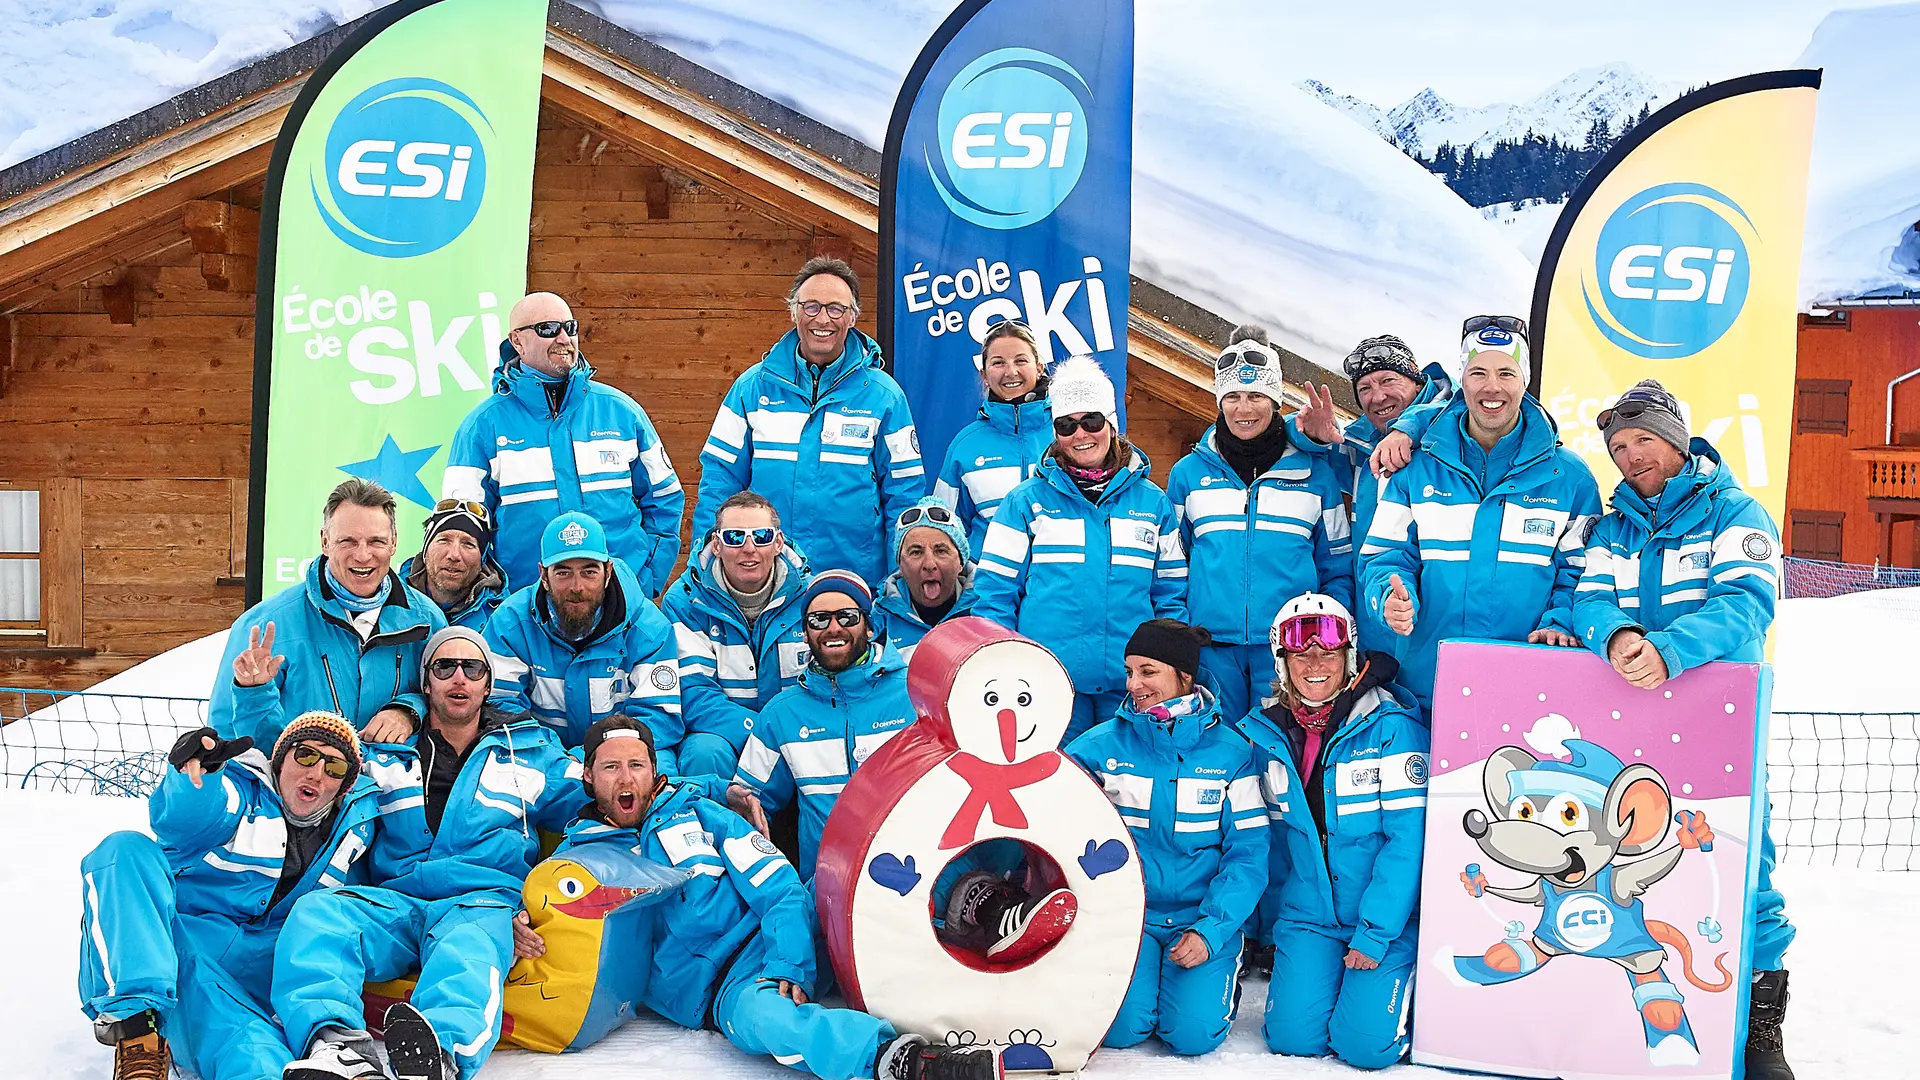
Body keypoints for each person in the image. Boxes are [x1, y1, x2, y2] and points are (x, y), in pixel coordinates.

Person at [543, 716, 1001, 1080]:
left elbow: (777, 884)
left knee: (850, 877)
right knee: (771, 1022)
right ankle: (902, 1061)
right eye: (611, 767)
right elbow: (547, 925)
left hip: (783, 937)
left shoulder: (697, 813)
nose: (627, 778)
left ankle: (985, 912)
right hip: (723, 987)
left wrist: (789, 959)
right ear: (588, 775)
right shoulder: (576, 863)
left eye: (637, 765)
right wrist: (521, 927)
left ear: (655, 770)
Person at [1566, 380, 1797, 1080]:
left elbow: (1747, 606)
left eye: (1643, 440)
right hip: (1629, 723)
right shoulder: (1611, 528)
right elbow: (1589, 599)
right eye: (1620, 447)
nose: (1633, 456)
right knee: (1620, 862)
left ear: (1675, 437)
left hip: (1718, 724)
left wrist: (1670, 650)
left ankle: (1761, 1028)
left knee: (1743, 864)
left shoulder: (1735, 512)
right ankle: (1619, 1006)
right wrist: (1615, 637)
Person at [275, 628, 584, 1080]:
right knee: (317, 915)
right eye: (444, 667)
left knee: (469, 950)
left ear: (487, 683)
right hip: (397, 901)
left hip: (480, 901)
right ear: (426, 684)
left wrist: (536, 904)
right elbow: (300, 779)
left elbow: (599, 801)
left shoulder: (531, 753)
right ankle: (336, 1046)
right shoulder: (381, 754)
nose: (458, 678)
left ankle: (436, 1054)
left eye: (472, 668)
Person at [78, 712, 377, 1080]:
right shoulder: (241, 794)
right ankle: (139, 1030)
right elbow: (187, 819)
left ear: (344, 786)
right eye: (306, 756)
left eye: (334, 766)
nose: (317, 773)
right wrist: (196, 781)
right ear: (280, 760)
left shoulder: (355, 832)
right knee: (123, 850)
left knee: (260, 1058)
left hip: (263, 978)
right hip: (182, 956)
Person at [1356, 321, 1601, 711]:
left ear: (1525, 381)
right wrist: (1388, 596)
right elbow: (1383, 557)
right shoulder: (1416, 469)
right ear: (1462, 380)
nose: (1492, 387)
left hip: (1528, 690)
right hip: (1426, 687)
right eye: (1478, 373)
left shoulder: (1569, 478)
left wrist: (1560, 621)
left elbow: (1583, 572)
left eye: (1506, 373)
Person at [1236, 594, 1428, 1069]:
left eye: (1329, 651)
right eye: (1300, 652)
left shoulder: (1392, 728)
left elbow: (1408, 840)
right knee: (1291, 1039)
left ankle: (1401, 993)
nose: (1315, 662)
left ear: (1350, 655)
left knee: (1365, 1048)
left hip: (1383, 918)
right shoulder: (1264, 734)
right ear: (1282, 663)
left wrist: (1376, 933)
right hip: (1309, 917)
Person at [1066, 619, 1267, 1056]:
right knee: (1122, 1031)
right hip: (1129, 919)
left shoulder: (1234, 753)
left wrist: (1212, 931)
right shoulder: (1097, 748)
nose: (1133, 684)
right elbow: (1059, 829)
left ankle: (1219, 972)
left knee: (1192, 1036)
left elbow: (1248, 856)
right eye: (1129, 671)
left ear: (1185, 676)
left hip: (1199, 920)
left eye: (1148, 671)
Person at [973, 356, 1188, 741]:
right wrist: (1007, 668)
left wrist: (1163, 666)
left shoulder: (1152, 504)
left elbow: (1170, 595)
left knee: (1125, 794)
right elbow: (994, 596)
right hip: (1049, 685)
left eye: (1091, 421)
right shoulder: (1024, 503)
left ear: (1111, 424)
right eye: (1066, 424)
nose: (1080, 434)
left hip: (1131, 688)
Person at [693, 258, 925, 587]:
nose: (822, 319)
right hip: (766, 583)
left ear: (853, 317)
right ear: (794, 311)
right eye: (811, 306)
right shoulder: (750, 388)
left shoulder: (884, 396)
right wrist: (705, 565)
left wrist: (902, 583)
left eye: (835, 309)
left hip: (854, 583)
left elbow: (904, 497)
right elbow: (718, 483)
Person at [442, 291, 684, 597]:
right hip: (526, 610)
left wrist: (644, 580)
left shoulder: (621, 411)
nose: (563, 338)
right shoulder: (482, 426)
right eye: (547, 329)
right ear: (517, 341)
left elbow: (665, 498)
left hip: (621, 603)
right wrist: (496, 599)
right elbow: (461, 528)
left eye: (570, 328)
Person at [1168, 326, 1353, 721]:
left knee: (1279, 752)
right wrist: (1182, 635)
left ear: (1274, 400)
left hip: (1293, 648)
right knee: (1219, 753)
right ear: (1219, 402)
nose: (1244, 409)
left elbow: (1338, 569)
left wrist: (1326, 640)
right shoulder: (1188, 474)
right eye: (1232, 397)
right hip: (1211, 648)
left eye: (1255, 397)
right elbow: (1172, 565)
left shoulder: (1315, 475)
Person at [212, 479, 444, 749]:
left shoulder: (427, 621)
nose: (363, 555)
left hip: (395, 788)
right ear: (325, 541)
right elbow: (230, 742)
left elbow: (453, 701)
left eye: (376, 541)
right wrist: (253, 694)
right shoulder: (265, 626)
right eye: (348, 541)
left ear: (394, 543)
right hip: (303, 787)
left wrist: (409, 712)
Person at [730, 571, 914, 879]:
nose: (833, 628)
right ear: (804, 632)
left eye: (847, 616)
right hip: (830, 889)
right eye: (818, 619)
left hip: (919, 879)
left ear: (868, 626)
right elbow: (749, 801)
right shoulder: (782, 713)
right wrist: (738, 800)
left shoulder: (914, 692)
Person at [484, 511, 684, 773]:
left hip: (622, 754)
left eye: (589, 572)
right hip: (538, 754)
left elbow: (658, 717)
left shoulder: (649, 629)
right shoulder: (509, 625)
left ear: (608, 571)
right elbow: (498, 708)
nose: (577, 586)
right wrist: (555, 759)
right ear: (543, 575)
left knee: (660, 772)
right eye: (563, 572)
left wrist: (592, 758)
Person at [662, 491, 812, 781]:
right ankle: (711, 826)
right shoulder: (684, 601)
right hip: (725, 734)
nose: (749, 548)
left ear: (779, 542)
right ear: (716, 544)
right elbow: (694, 694)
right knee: (703, 752)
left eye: (761, 536)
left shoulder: (812, 597)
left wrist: (792, 734)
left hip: (797, 729)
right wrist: (762, 736)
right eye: (734, 537)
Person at [932, 319, 1053, 556]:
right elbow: (943, 531)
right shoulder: (965, 445)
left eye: (1021, 360)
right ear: (984, 374)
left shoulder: (1068, 433)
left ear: (1039, 367)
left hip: (1055, 587)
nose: (1011, 372)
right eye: (998, 363)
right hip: (987, 588)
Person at [871, 498, 978, 662]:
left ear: (961, 563)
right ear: (900, 563)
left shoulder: (986, 611)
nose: (929, 564)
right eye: (916, 552)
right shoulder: (879, 618)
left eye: (941, 551)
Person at [401, 499, 507, 631]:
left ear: (482, 558)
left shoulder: (503, 619)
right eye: (444, 540)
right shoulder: (387, 601)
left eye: (468, 544)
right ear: (426, 549)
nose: (454, 555)